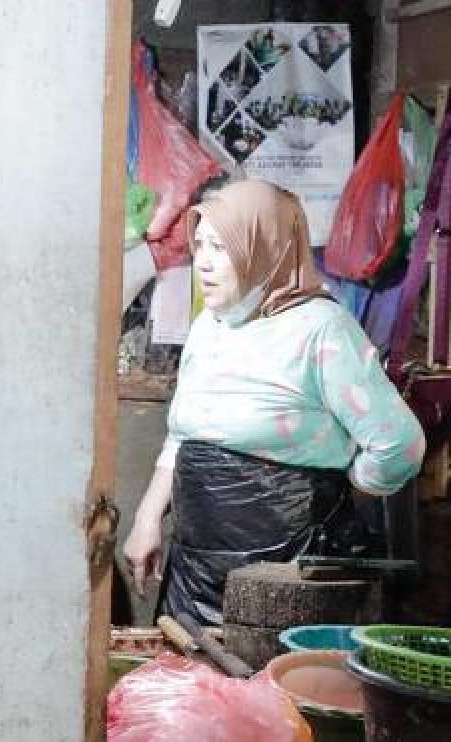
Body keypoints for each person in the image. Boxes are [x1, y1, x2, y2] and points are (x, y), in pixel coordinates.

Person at [123, 180, 425, 626]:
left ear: (268, 248)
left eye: (221, 248)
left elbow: (399, 445)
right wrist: (147, 518)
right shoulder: (210, 325)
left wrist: (343, 493)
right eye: (200, 245)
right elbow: (183, 434)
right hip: (196, 573)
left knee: (279, 690)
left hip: (291, 576)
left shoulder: (321, 329)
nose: (202, 262)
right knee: (196, 686)